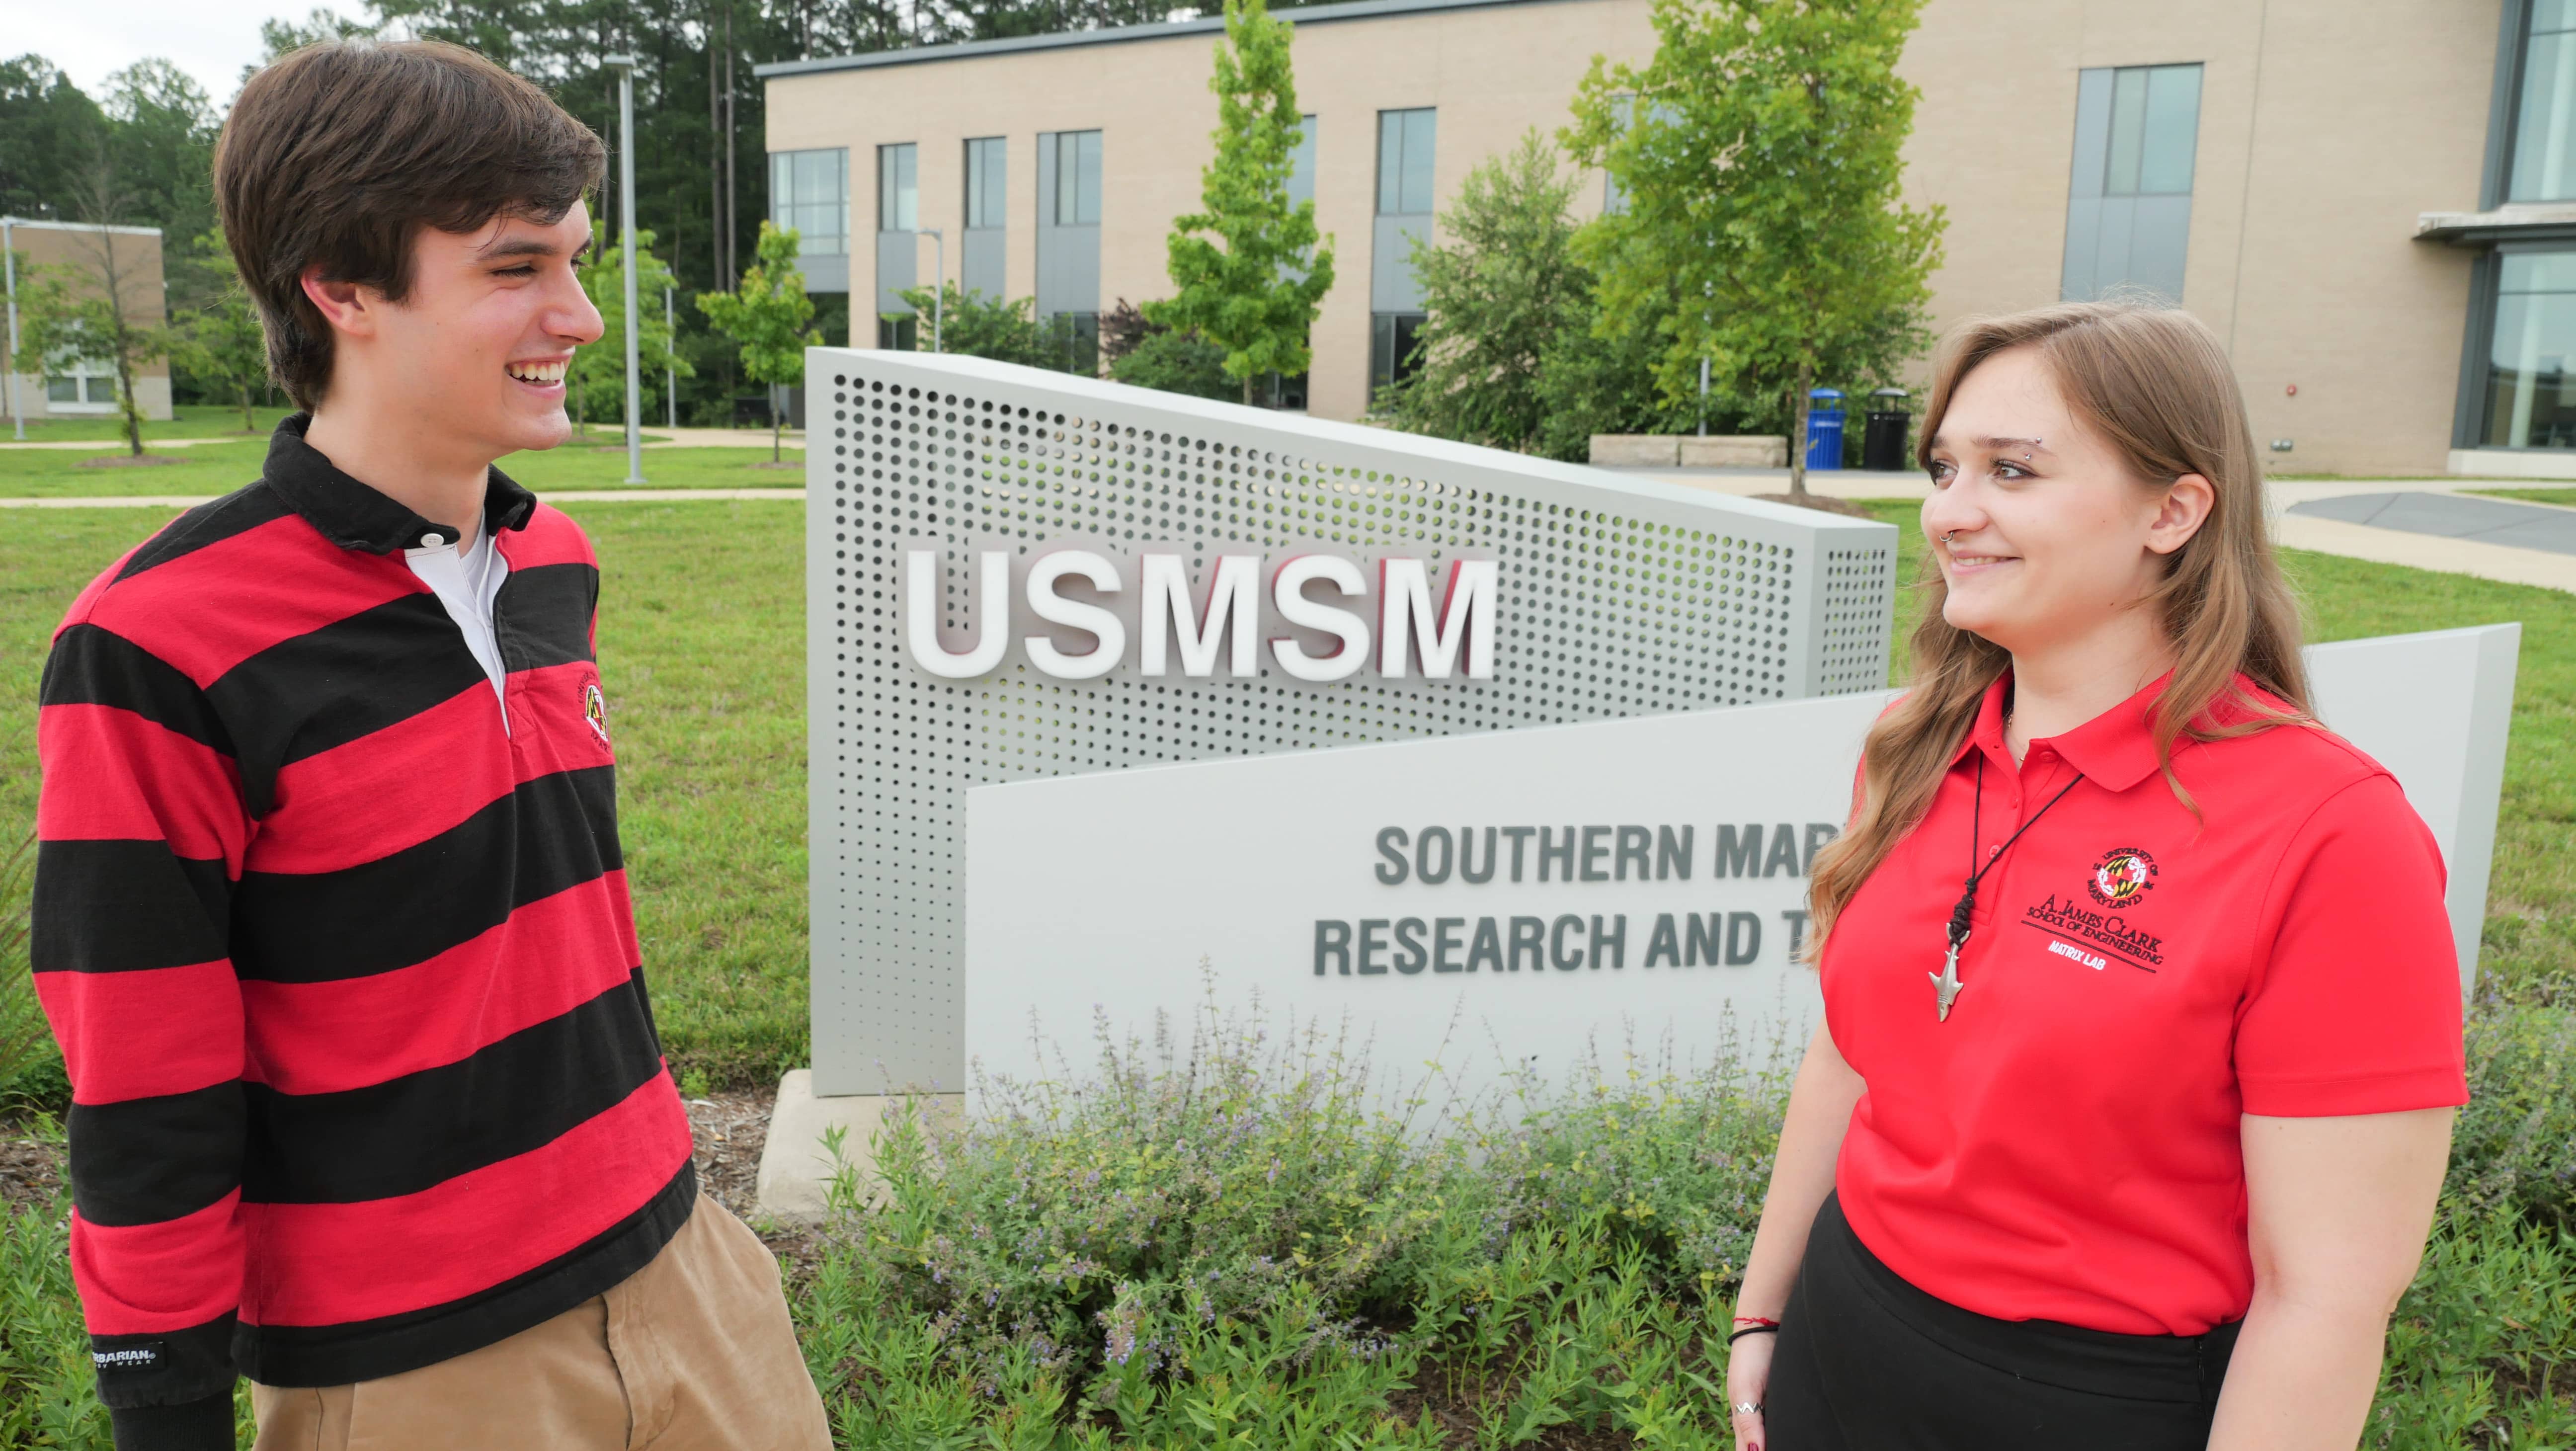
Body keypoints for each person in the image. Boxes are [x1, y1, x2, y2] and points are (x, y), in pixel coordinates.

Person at [30, 40, 830, 1451]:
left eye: (578, 261)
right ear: (342, 289)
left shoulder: (554, 560)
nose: (580, 316)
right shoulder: (156, 645)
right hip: (421, 1367)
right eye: (517, 267)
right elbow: (146, 1079)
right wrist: (164, 1407)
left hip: (688, 1274)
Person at [1721, 301, 2465, 1451]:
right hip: (1841, 1331)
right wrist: (1762, 1311)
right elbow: (1848, 1054)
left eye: (2012, 470)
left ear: (2174, 511)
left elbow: (2326, 1295)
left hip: (2092, 1401)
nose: (1950, 513)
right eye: (1944, 467)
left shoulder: (2330, 832)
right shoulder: (1913, 743)